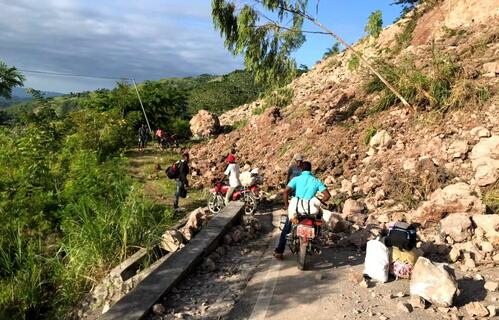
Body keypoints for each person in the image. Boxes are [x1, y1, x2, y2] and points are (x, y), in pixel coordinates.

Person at [274, 161, 331, 260]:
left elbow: (286, 191)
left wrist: (287, 205)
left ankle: (279, 251)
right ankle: (316, 236)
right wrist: (319, 201)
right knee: (318, 219)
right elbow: (327, 195)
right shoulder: (316, 181)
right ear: (310, 169)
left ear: (301, 169)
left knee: (287, 228)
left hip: (296, 208)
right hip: (310, 209)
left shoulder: (296, 179)